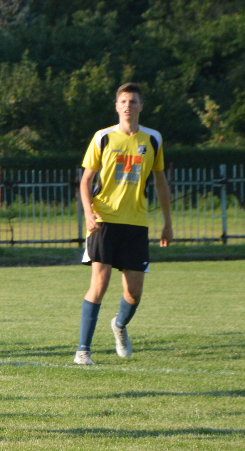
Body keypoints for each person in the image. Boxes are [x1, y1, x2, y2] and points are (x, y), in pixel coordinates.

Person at [75, 82, 174, 365]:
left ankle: (119, 325)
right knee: (100, 282)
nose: (128, 106)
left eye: (133, 101)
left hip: (136, 223)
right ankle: (83, 350)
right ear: (117, 106)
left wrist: (167, 223)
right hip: (104, 220)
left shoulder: (153, 139)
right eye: (123, 102)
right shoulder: (103, 137)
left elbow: (160, 181)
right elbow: (85, 180)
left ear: (141, 106)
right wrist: (88, 213)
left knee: (134, 292)